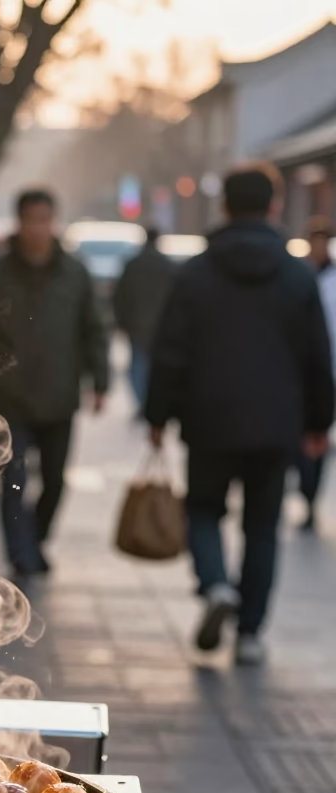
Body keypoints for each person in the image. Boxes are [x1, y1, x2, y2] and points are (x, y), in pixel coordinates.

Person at [145, 165, 334, 665]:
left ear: (223, 206)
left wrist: (157, 414)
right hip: (277, 425)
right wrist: (319, 423)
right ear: (273, 206)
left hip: (209, 419)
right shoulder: (297, 275)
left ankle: (214, 587)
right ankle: (250, 633)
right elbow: (318, 354)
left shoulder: (197, 272)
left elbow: (170, 351)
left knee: (204, 509)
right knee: (263, 526)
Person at [0, 188, 108, 578]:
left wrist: (101, 380)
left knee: (55, 482)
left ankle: (35, 537)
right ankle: (19, 553)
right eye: (31, 220)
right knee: (14, 479)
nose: (38, 229)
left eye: (45, 220)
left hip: (59, 394)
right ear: (19, 223)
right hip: (8, 396)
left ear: (53, 222)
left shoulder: (74, 272)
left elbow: (93, 329)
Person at [297, 217, 336, 530]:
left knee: (316, 437)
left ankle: (310, 497)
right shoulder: (295, 277)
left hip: (327, 373)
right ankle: (302, 488)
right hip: (297, 375)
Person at [113, 226, 176, 410]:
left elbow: (120, 295)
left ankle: (143, 401)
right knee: (152, 365)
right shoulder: (166, 265)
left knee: (139, 364)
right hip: (159, 323)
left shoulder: (133, 264)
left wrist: (121, 320)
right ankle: (149, 402)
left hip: (136, 323)